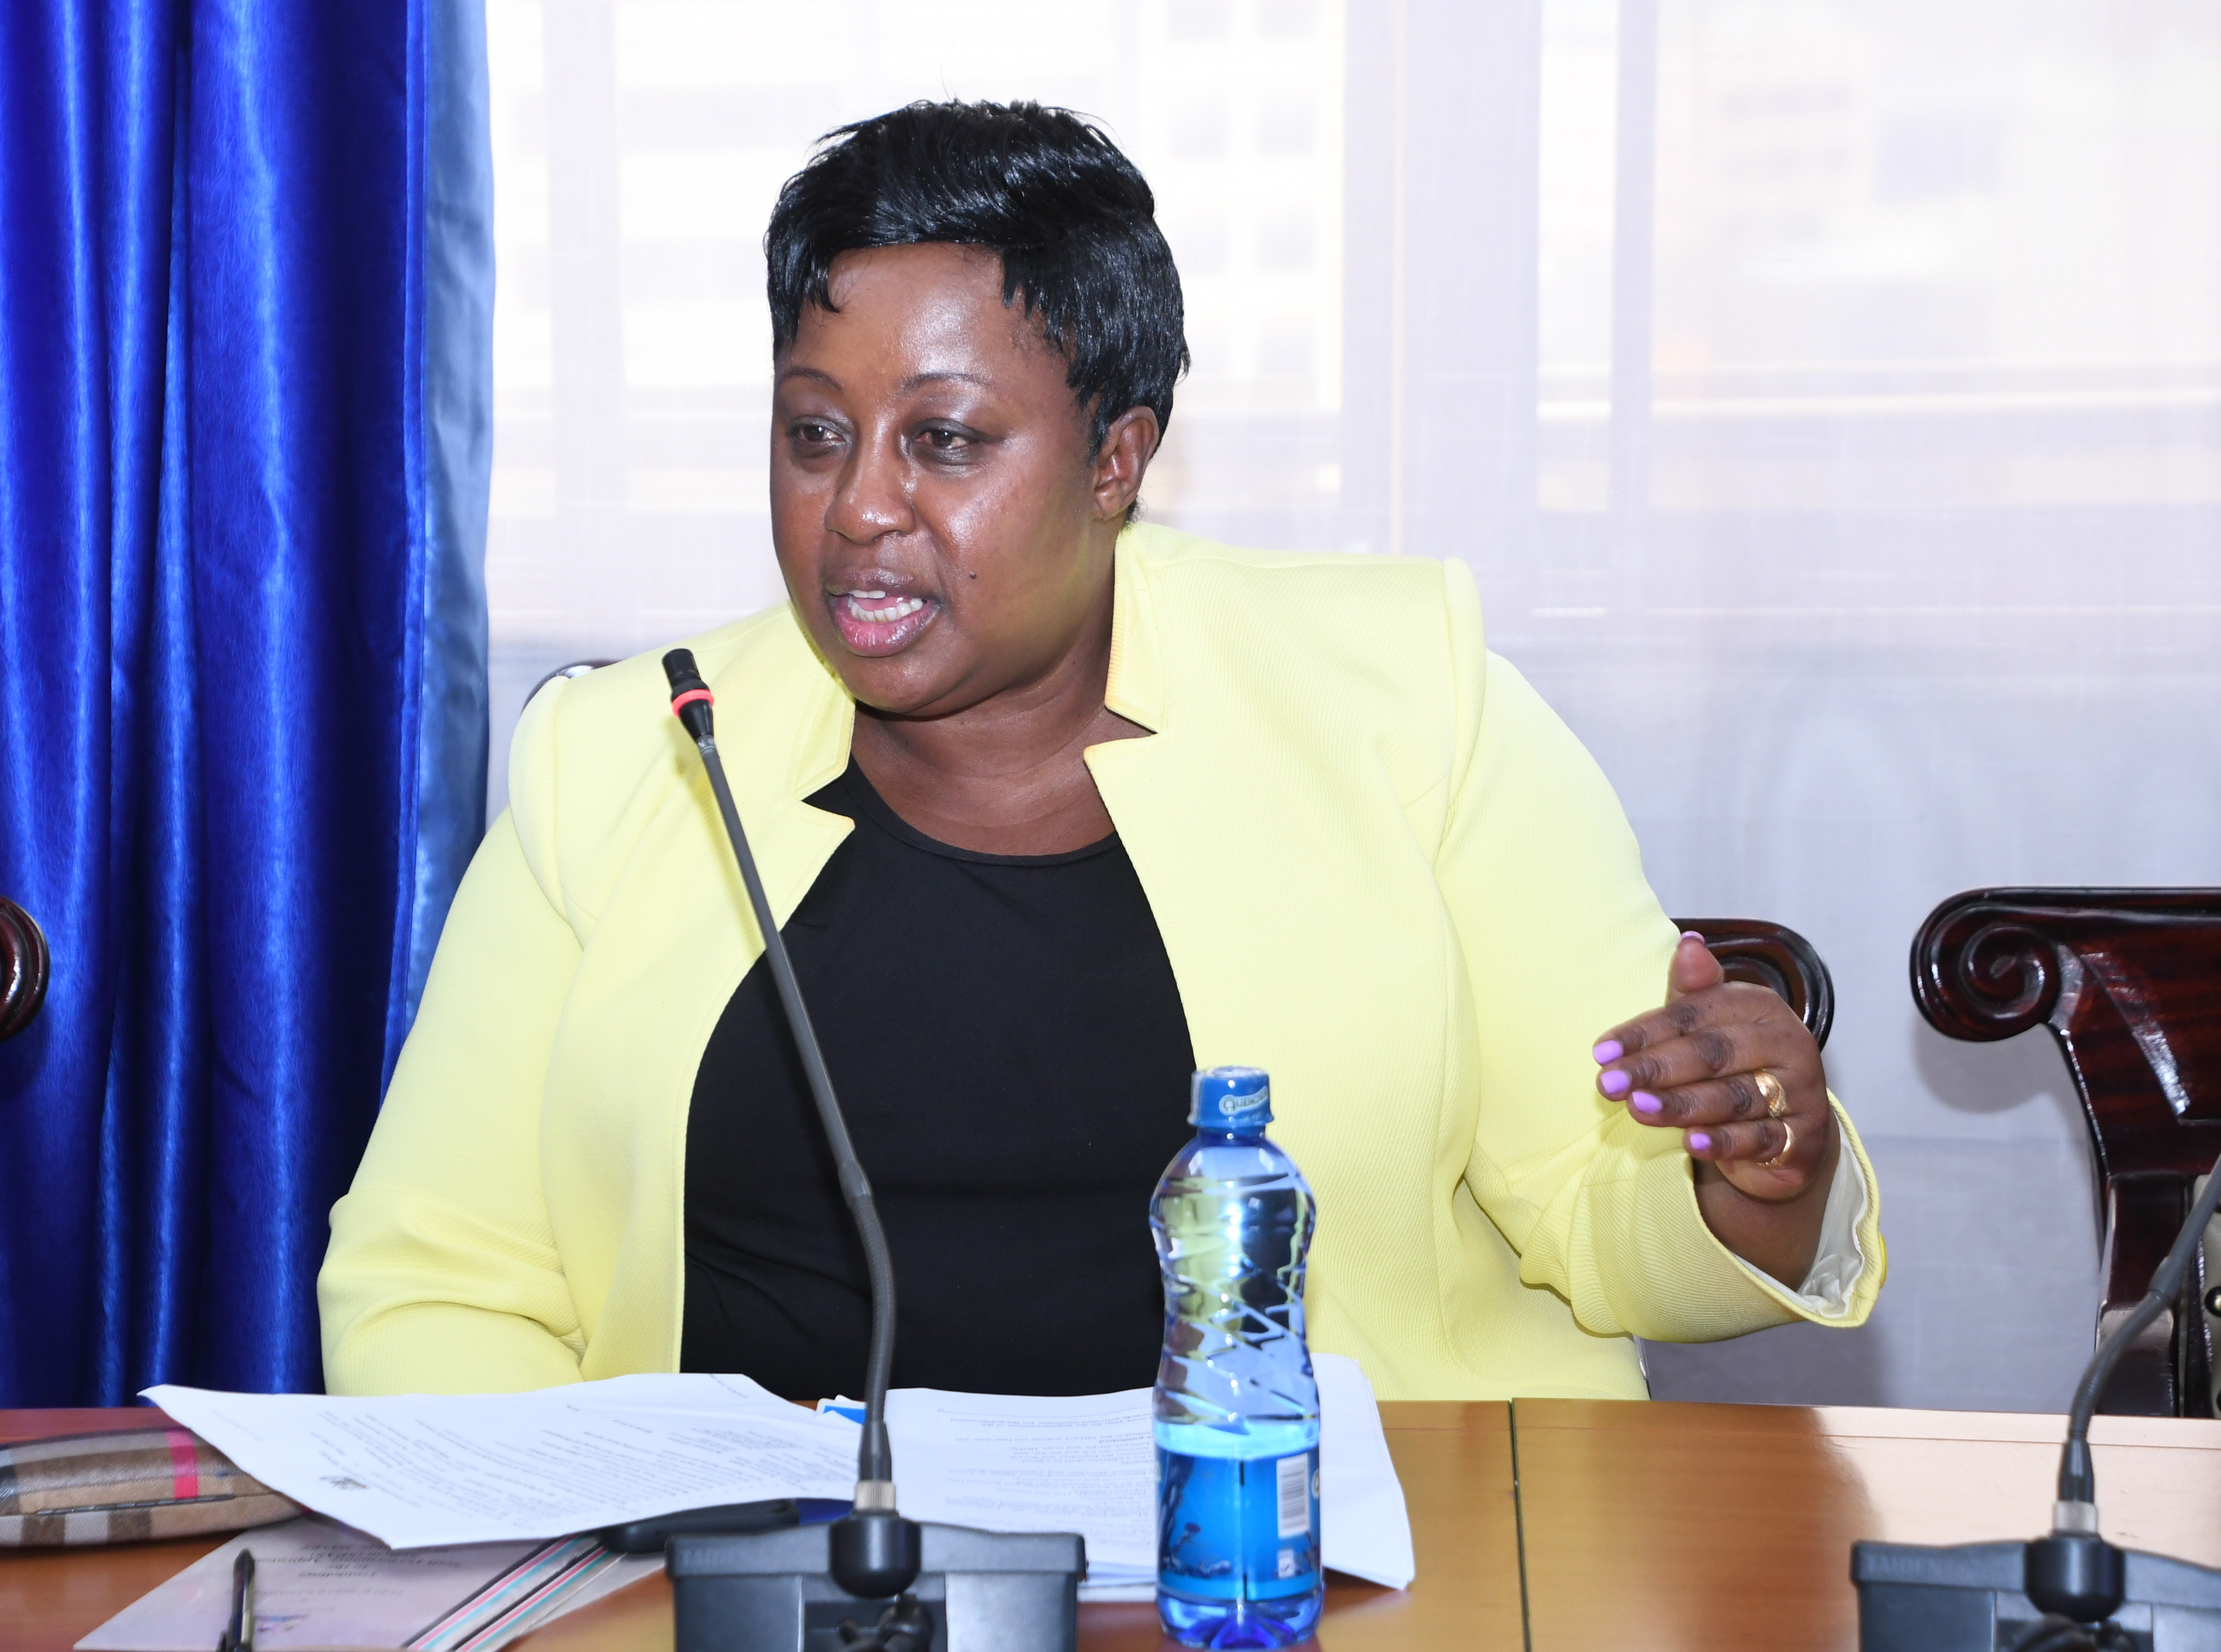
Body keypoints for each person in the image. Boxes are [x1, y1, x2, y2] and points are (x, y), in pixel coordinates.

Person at [319, 101, 1882, 1404]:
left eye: (944, 440)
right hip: (751, 1589)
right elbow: (435, 1283)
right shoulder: (634, 757)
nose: (860, 507)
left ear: (1118, 458)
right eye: (815, 432)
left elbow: (1606, 1232)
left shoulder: (1408, 700)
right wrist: (595, 1566)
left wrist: (1752, 1178)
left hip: (1307, 1582)